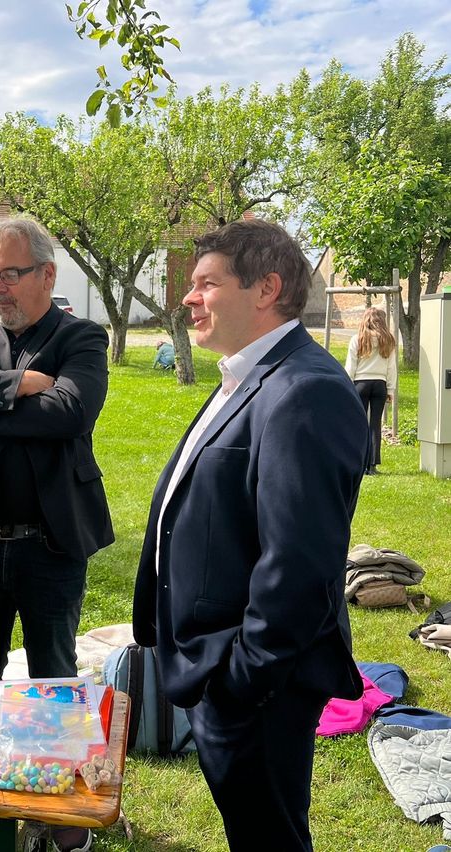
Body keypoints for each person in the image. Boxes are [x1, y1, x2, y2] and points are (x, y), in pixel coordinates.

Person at [132, 220, 370, 852]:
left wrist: (243, 678)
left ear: (267, 289)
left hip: (257, 683)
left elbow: (299, 564)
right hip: (224, 668)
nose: (189, 298)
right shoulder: (251, 374)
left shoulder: (305, 391)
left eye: (207, 283)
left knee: (269, 839)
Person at [0, 215, 113, 852]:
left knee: (54, 676)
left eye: (10, 273)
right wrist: (18, 386)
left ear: (47, 274)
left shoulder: (81, 336)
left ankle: (56, 807)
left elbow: (70, 412)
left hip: (51, 540)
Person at [345, 306, 397, 475]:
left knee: (359, 423)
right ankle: (373, 465)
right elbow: (391, 367)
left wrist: (348, 385)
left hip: (360, 383)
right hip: (380, 384)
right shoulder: (388, 340)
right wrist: (390, 389)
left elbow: (351, 366)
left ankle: (359, 462)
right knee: (375, 424)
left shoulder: (358, 339)